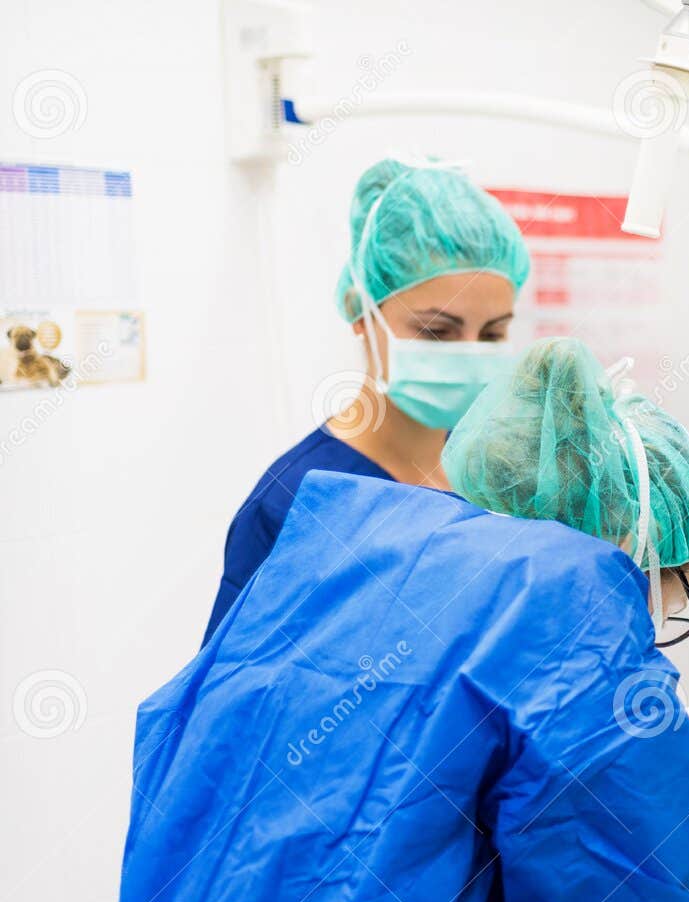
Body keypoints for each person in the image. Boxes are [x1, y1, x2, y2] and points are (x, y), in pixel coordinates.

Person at [15, 337, 689, 902]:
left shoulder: (348, 543)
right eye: (669, 605)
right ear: (631, 549)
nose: (653, 635)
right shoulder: (576, 607)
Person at [202, 157, 530, 643]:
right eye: (437, 331)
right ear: (362, 313)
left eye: (493, 333)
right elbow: (234, 704)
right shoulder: (297, 500)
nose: (468, 353)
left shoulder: (499, 478)